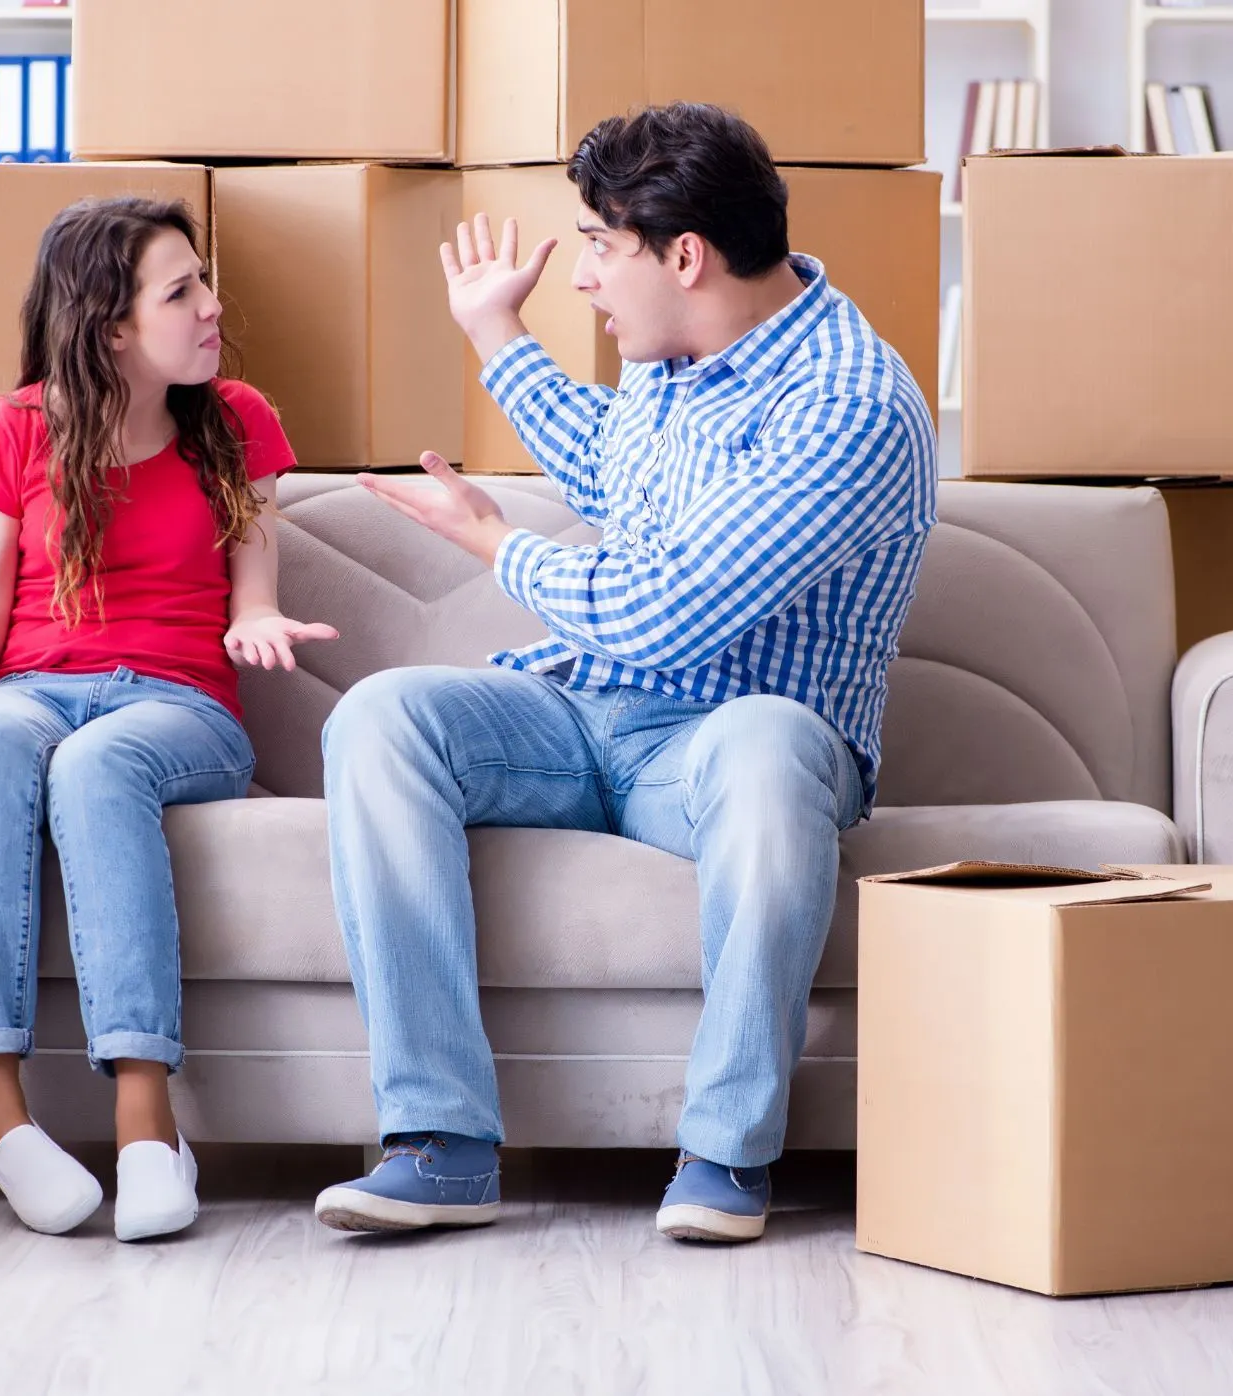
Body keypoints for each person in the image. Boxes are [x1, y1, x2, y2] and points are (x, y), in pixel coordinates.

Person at [311, 103, 937, 1244]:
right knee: (384, 715)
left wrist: (497, 542)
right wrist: (495, 334)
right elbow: (616, 471)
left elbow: (672, 614)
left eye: (602, 245)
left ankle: (726, 1154)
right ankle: (441, 1142)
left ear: (684, 256)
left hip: (722, 747)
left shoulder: (849, 406)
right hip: (583, 710)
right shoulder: (678, 355)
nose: (587, 277)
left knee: (767, 739)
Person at [0, 197, 334, 1241]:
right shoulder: (14, 430)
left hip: (180, 708)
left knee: (97, 764)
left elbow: (254, 584)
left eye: (203, 281)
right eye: (183, 293)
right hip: (33, 689)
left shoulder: (236, 421)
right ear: (109, 326)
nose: (214, 307)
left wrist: (259, 622)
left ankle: (147, 1122)